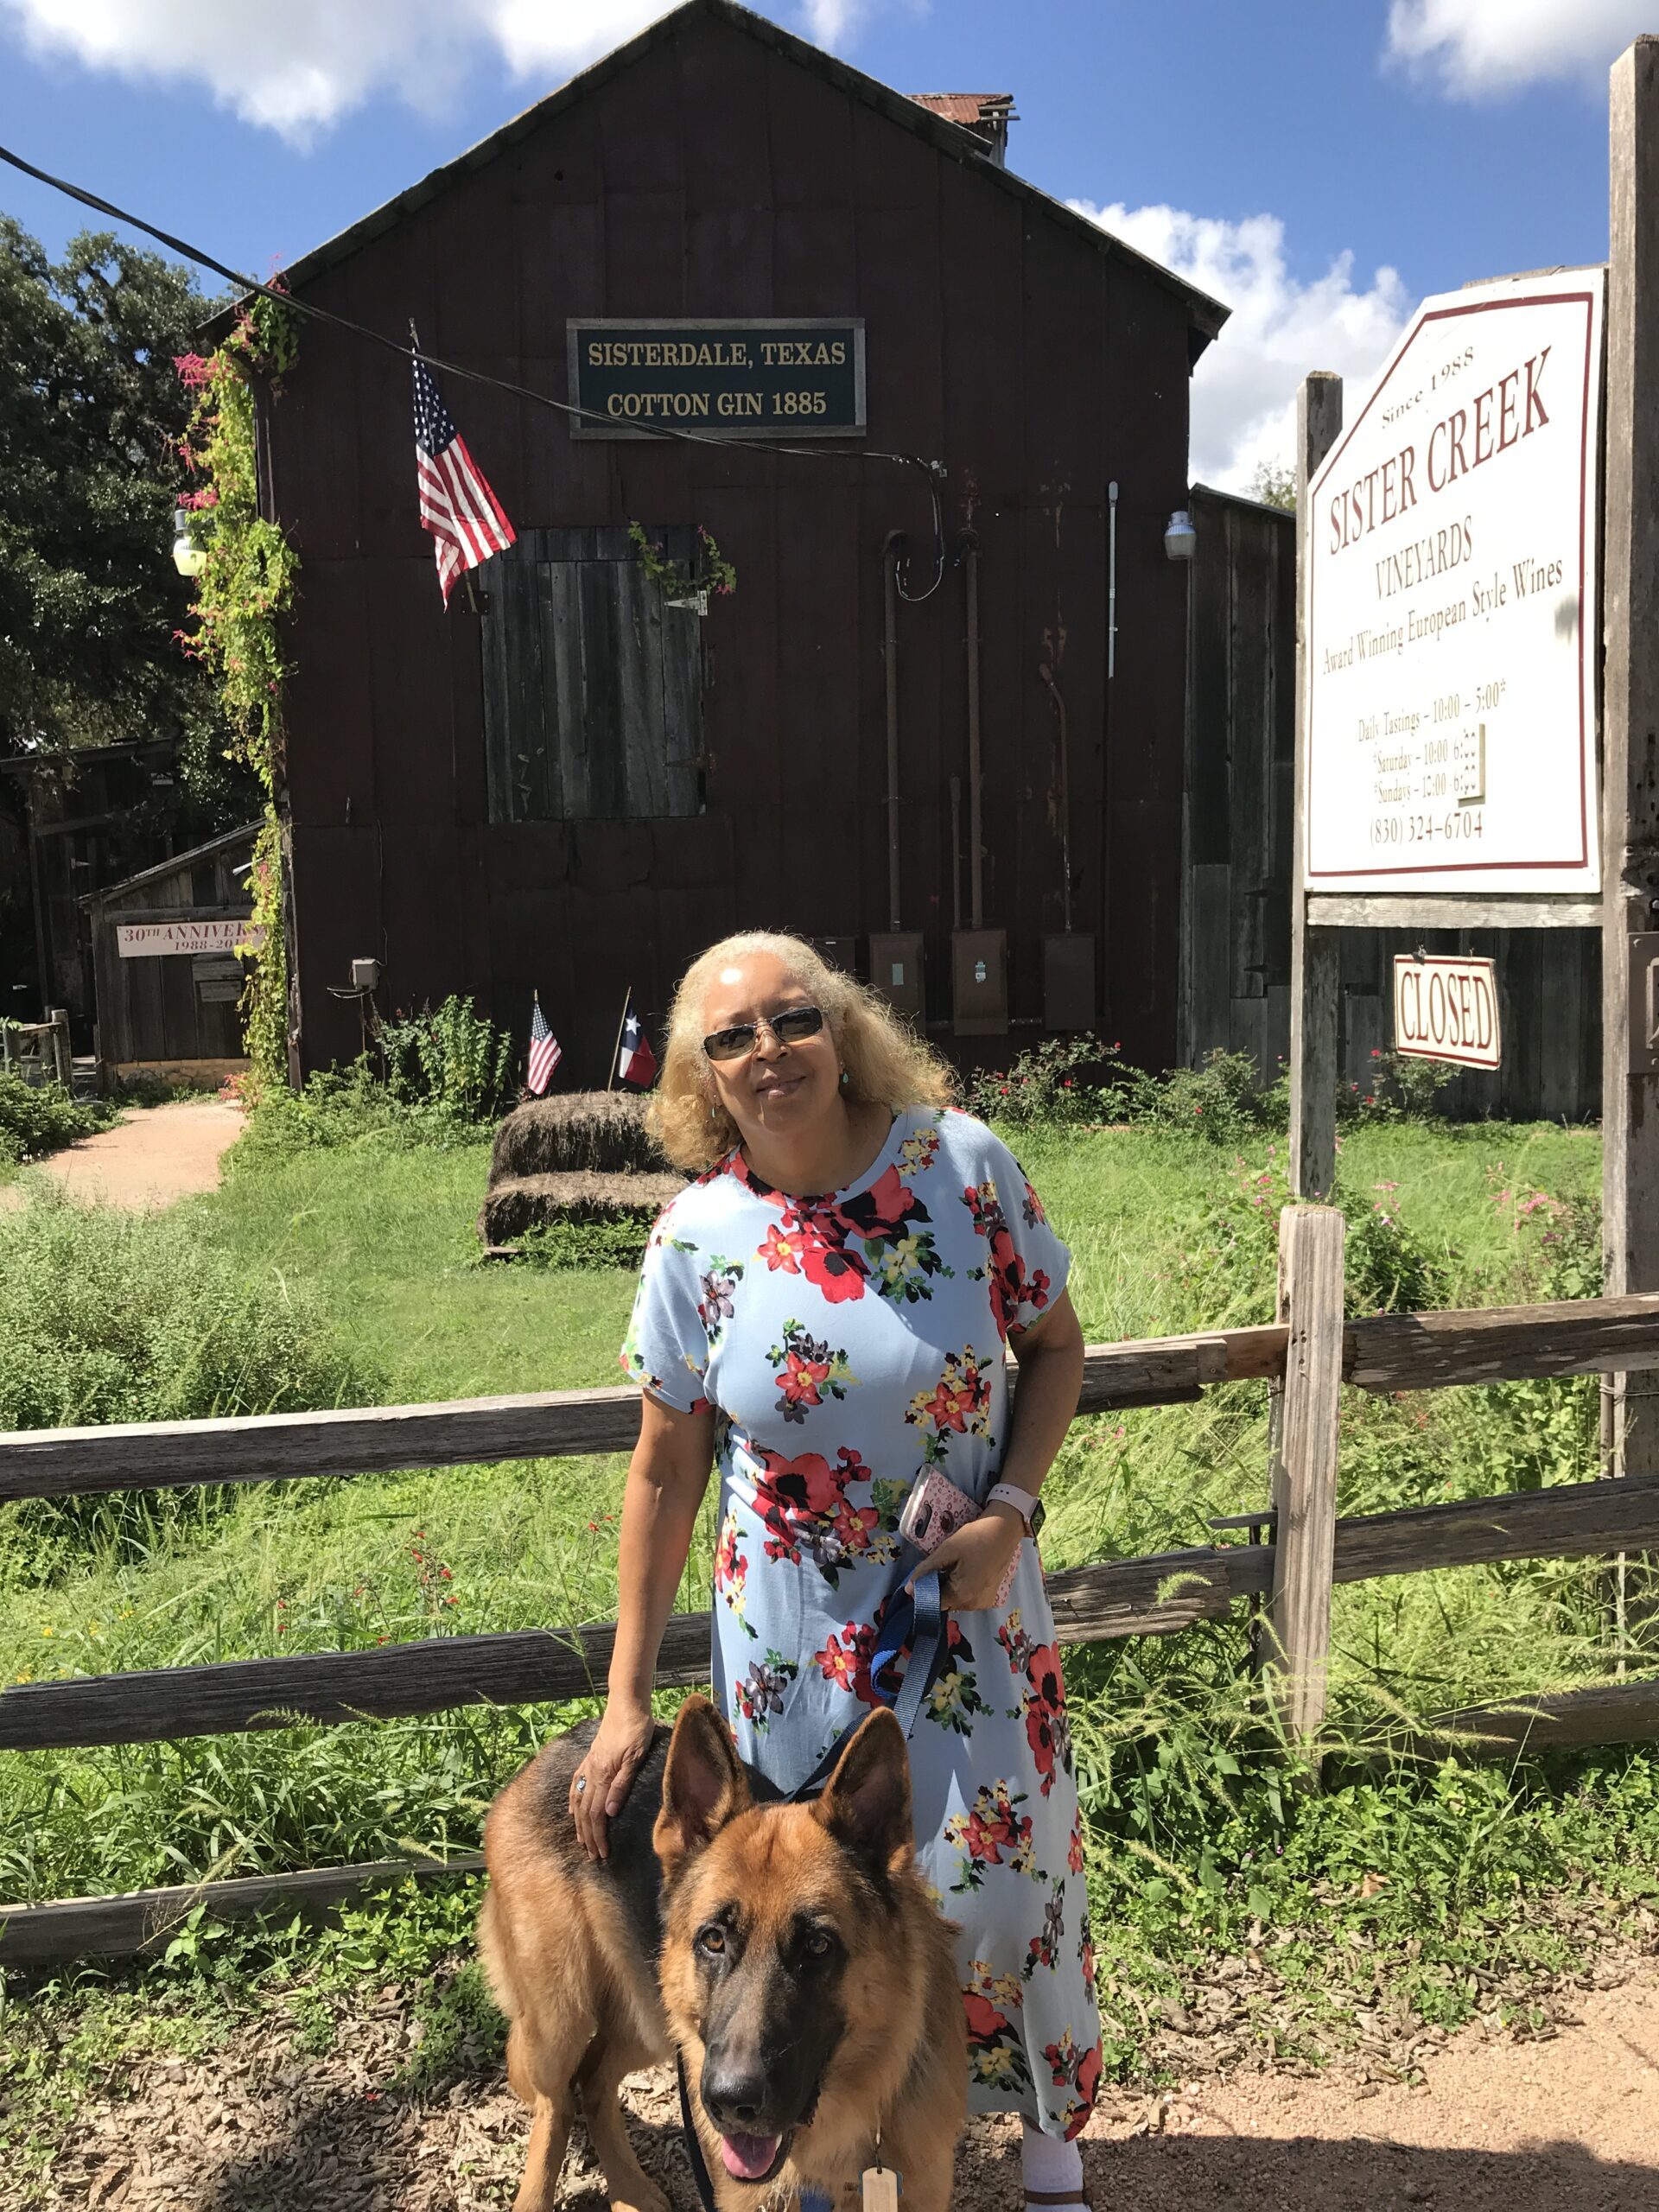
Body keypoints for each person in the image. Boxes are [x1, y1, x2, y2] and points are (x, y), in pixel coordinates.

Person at [572, 931, 1101, 2212]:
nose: (769, 1052)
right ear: (700, 1075)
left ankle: (1046, 2150)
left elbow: (1057, 1345)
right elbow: (663, 1471)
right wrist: (627, 1696)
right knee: (799, 1927)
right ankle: (815, 2164)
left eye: (793, 1018)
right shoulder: (696, 1239)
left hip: (967, 1609)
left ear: (843, 1026)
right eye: (732, 1037)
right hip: (789, 1640)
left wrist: (1013, 1511)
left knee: (1001, 1890)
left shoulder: (961, 1166)